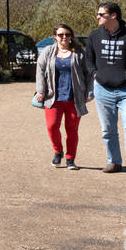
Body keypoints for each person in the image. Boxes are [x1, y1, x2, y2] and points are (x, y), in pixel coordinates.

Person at [85, 1, 126, 178]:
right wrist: (95, 74)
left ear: (113, 16)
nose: (97, 17)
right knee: (107, 129)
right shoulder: (94, 35)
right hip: (103, 90)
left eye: (101, 14)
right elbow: (88, 59)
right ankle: (114, 161)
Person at [34, 25, 93, 169]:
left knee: (71, 130)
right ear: (55, 36)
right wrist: (40, 91)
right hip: (53, 97)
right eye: (60, 35)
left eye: (67, 34)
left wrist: (89, 93)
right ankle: (57, 151)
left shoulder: (79, 53)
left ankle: (70, 159)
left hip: (74, 98)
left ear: (71, 36)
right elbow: (40, 70)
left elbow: (89, 73)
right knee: (52, 126)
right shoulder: (48, 52)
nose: (64, 37)